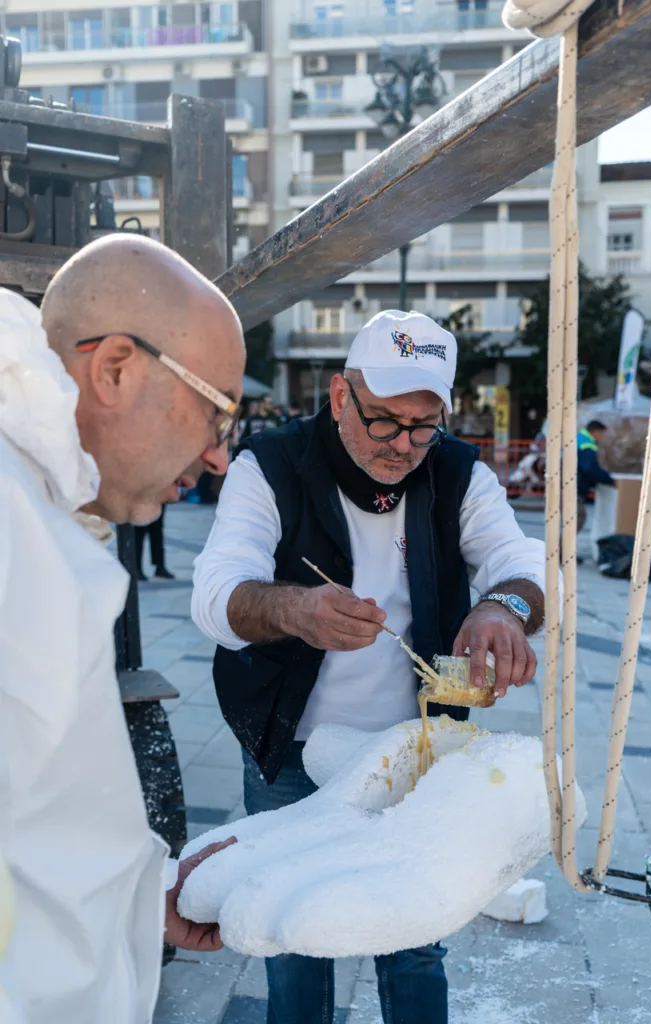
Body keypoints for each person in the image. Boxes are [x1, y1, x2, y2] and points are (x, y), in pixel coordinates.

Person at [192, 308, 551, 1024]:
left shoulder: (456, 471)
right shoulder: (271, 465)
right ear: (338, 396)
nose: (402, 445)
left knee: (414, 934)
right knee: (289, 932)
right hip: (289, 739)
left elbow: (522, 562)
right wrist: (297, 611)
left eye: (423, 425)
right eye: (383, 420)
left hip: (413, 744)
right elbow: (213, 594)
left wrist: (503, 610)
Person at [0, 232, 245, 1023]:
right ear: (113, 368)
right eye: (216, 413)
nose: (217, 458)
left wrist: (144, 900)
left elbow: (49, 816)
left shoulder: (37, 509)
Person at [577, 419, 616, 533]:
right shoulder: (587, 444)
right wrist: (610, 480)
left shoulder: (580, 439)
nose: (602, 437)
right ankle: (561, 549)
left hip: (570, 485)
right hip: (573, 487)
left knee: (576, 519)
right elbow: (589, 468)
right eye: (601, 434)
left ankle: (561, 549)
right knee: (576, 519)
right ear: (594, 432)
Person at [135, 507, 174, 581]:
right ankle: (137, 568)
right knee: (139, 533)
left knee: (157, 532)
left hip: (158, 499)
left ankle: (160, 566)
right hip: (141, 500)